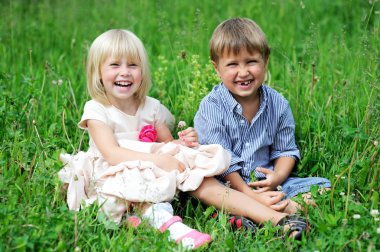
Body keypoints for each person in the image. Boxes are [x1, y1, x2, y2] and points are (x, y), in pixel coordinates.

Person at [58, 29, 232, 249]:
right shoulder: (97, 109)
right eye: (114, 65)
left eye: (132, 65)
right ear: (98, 72)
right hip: (112, 169)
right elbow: (112, 154)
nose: (125, 72)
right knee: (126, 183)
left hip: (149, 169)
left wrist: (183, 142)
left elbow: (168, 145)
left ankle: (142, 215)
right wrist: (157, 160)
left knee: (189, 157)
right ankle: (168, 224)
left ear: (142, 70)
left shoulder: (151, 107)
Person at [194, 17, 331, 215]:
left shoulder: (278, 104)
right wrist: (247, 192)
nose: (243, 72)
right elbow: (221, 159)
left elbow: (286, 149)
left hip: (267, 184)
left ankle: (272, 208)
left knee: (324, 188)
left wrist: (278, 177)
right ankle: (259, 209)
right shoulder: (211, 107)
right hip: (228, 185)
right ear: (217, 69)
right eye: (232, 64)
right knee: (206, 189)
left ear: (265, 61)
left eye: (251, 62)